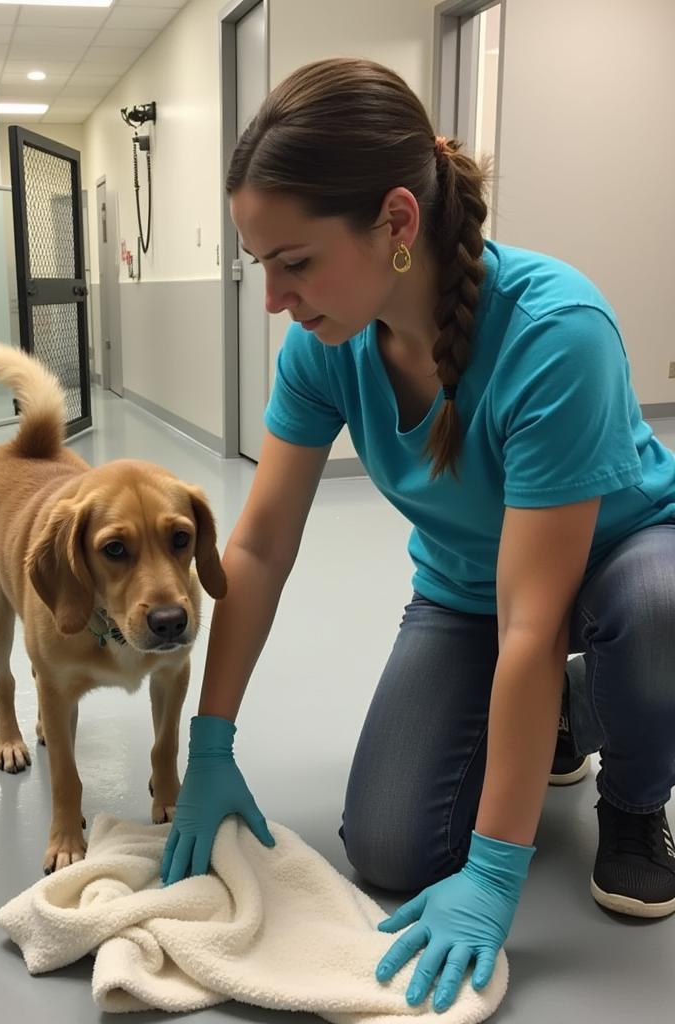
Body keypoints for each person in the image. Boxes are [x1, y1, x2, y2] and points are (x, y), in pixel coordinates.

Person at [160, 57, 675, 1014]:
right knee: (393, 848)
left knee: (657, 613)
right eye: (260, 264)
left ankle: (637, 802)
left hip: (617, 561)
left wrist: (495, 877)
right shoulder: (324, 347)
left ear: (397, 222)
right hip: (468, 590)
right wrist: (212, 745)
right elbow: (260, 550)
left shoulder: (556, 333)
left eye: (295, 261)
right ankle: (564, 713)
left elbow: (533, 620)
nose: (274, 297)